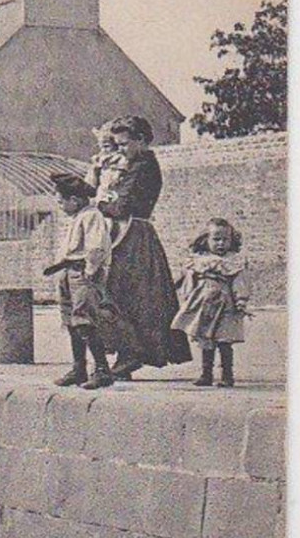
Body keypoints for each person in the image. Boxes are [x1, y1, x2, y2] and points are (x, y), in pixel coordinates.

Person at [97, 115, 192, 377]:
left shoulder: (143, 166)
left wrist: (96, 204)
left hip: (133, 234)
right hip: (126, 232)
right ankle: (124, 354)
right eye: (117, 145)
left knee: (128, 294)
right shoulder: (133, 163)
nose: (121, 150)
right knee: (123, 293)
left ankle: (131, 353)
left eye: (124, 144)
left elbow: (121, 206)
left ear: (141, 140)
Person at [44, 174, 121, 390]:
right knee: (71, 320)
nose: (60, 206)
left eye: (61, 201)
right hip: (68, 273)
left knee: (84, 320)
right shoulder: (77, 217)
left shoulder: (91, 216)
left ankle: (103, 370)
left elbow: (96, 247)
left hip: (82, 273)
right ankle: (79, 368)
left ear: (75, 200)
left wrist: (90, 271)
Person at [173, 218, 250, 388]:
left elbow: (240, 282)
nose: (221, 243)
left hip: (225, 305)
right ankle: (206, 374)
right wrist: (181, 289)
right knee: (205, 340)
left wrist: (241, 299)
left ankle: (227, 375)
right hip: (203, 305)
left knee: (224, 341)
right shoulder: (198, 260)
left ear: (232, 240)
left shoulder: (233, 262)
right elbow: (187, 278)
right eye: (216, 239)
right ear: (205, 240)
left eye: (225, 239)